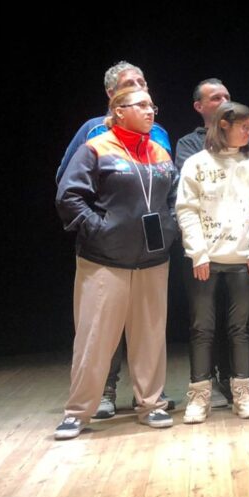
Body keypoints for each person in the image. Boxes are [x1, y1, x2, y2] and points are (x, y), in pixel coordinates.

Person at [54, 86, 179, 439]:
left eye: (152, 104)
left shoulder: (158, 151)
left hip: (153, 260)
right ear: (118, 110)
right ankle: (78, 411)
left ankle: (151, 404)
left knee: (151, 337)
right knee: (94, 338)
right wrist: (100, 229)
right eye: (141, 105)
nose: (150, 110)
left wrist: (168, 228)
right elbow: (69, 196)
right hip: (104, 260)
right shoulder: (95, 148)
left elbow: (173, 196)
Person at [176, 102, 249, 423]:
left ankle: (243, 391)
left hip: (242, 259)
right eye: (244, 126)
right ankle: (199, 395)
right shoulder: (196, 164)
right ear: (223, 126)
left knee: (240, 329)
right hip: (206, 260)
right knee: (202, 327)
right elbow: (187, 209)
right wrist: (198, 252)